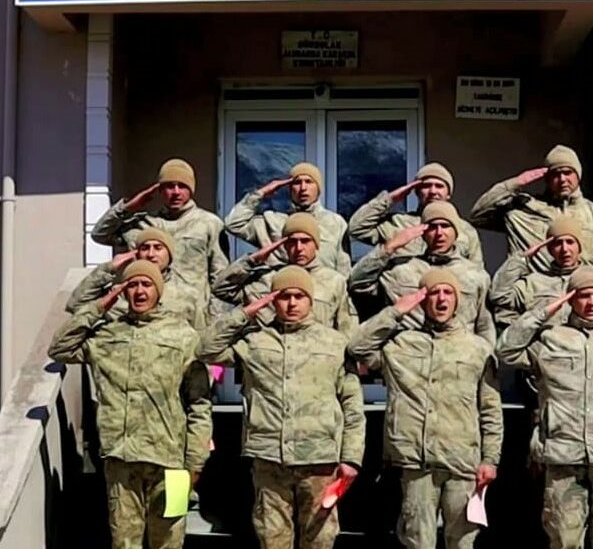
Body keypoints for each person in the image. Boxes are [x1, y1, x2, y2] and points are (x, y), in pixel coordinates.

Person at [197, 266, 365, 549]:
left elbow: (352, 405)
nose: (292, 303)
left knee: (320, 539)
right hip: (269, 459)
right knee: (272, 538)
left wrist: (351, 457)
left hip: (319, 459)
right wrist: (247, 312)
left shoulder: (335, 344)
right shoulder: (255, 341)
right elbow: (205, 349)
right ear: (273, 300)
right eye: (284, 296)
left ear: (310, 300)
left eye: (299, 296)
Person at [48, 261, 212, 549]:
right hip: (120, 460)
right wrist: (99, 307)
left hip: (170, 463)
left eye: (146, 284)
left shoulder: (183, 337)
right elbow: (59, 348)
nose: (139, 291)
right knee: (124, 543)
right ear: (123, 290)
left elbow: (199, 405)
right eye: (132, 285)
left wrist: (195, 462)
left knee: (169, 542)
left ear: (158, 290)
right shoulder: (106, 335)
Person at [496, 266, 593, 549]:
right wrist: (543, 312)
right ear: (570, 299)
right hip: (562, 455)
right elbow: (506, 350)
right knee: (563, 538)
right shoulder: (550, 340)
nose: (591, 302)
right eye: (583, 295)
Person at [348, 269, 502, 549]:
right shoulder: (400, 344)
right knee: (417, 542)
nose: (441, 299)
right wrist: (395, 311)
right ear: (422, 299)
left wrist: (490, 459)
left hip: (462, 462)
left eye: (448, 292)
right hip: (416, 463)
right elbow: (357, 347)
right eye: (433, 293)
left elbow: (490, 409)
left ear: (457, 300)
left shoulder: (478, 349)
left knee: (462, 542)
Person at [469, 145, 593, 300]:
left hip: (582, 301)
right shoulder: (523, 209)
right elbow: (478, 216)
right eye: (555, 174)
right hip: (533, 297)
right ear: (547, 178)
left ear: (578, 175)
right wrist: (515, 184)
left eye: (567, 173)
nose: (562, 179)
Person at [91, 158, 229, 319]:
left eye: (182, 186)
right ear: (160, 190)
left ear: (191, 189)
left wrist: (215, 318)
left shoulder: (209, 223)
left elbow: (220, 276)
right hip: (149, 317)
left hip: (192, 317)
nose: (176, 192)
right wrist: (127, 208)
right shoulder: (143, 223)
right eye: (169, 186)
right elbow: (100, 234)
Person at [349, 200, 495, 345]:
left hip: (458, 352)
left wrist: (485, 355)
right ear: (423, 233)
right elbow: (358, 283)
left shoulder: (476, 275)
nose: (439, 233)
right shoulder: (400, 270)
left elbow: (485, 325)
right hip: (410, 351)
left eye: (445, 226)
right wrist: (388, 248)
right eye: (432, 227)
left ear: (456, 232)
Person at [213, 212, 357, 338]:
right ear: (284, 245)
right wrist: (252, 260)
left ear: (316, 244)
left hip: (317, 355)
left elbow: (346, 329)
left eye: (305, 241)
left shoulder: (334, 281)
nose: (299, 248)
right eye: (292, 242)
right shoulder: (267, 278)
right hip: (272, 353)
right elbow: (221, 289)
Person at [224, 161, 351, 275]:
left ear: (318, 188)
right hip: (283, 290)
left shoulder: (335, 223)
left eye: (309, 182)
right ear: (289, 188)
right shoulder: (272, 221)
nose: (303, 188)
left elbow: (344, 270)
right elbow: (233, 224)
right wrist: (261, 193)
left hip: (323, 290)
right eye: (297, 183)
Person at [66, 227, 204, 329]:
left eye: (158, 248)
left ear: (169, 254)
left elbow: (201, 340)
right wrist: (108, 268)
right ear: (137, 253)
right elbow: (75, 305)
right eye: (145, 248)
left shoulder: (188, 294)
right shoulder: (121, 291)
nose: (151, 254)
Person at [348, 162, 484, 266]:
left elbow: (476, 272)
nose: (433, 191)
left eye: (439, 186)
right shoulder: (397, 223)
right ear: (417, 191)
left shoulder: (465, 230)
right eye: (426, 186)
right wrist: (390, 199)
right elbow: (356, 228)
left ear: (448, 193)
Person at [490, 216, 586, 328]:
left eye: (570, 242)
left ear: (579, 247)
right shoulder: (533, 282)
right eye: (558, 243)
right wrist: (522, 259)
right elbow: (499, 297)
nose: (564, 249)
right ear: (550, 249)